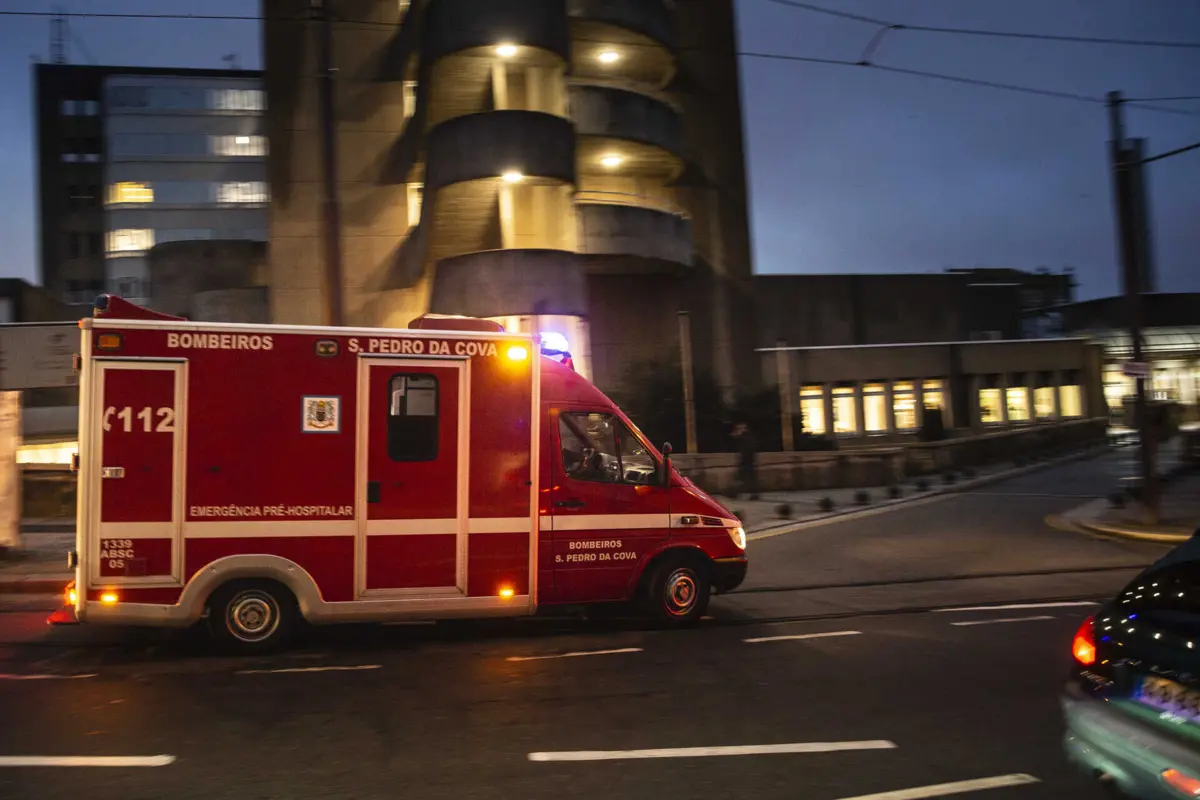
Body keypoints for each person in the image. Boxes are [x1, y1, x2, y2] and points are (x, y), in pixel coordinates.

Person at [731, 421, 759, 500]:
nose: (739, 430)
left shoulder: (746, 437)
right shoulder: (747, 436)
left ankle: (737, 493)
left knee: (743, 477)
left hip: (747, 459)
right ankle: (738, 493)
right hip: (747, 459)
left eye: (740, 428)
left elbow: (747, 447)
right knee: (746, 477)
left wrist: (738, 435)